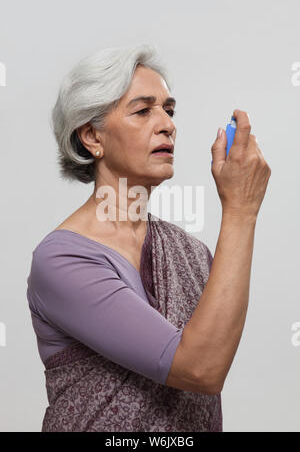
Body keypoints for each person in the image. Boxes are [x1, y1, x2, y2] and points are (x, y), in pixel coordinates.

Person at [26, 44, 271, 432]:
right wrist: (241, 210)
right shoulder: (62, 260)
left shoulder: (193, 253)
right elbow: (199, 368)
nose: (167, 124)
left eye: (168, 110)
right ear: (92, 136)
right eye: (143, 110)